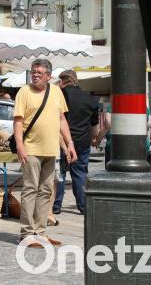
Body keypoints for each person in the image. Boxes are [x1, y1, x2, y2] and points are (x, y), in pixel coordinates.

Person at [13, 58, 77, 248]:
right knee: (30, 190)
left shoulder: (57, 92)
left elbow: (62, 120)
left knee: (46, 191)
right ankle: (26, 233)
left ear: (49, 76)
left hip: (51, 150)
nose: (35, 75)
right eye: (33, 72)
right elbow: (18, 121)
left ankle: (40, 232)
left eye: (40, 73)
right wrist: (19, 146)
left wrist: (70, 143)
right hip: (31, 149)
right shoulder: (24, 92)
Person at [52, 70, 98, 216]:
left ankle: (56, 206)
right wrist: (93, 138)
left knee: (60, 173)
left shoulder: (61, 95)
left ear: (63, 81)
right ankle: (83, 206)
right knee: (80, 173)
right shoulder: (90, 99)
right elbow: (94, 126)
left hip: (62, 139)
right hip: (83, 141)